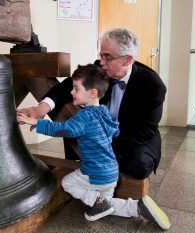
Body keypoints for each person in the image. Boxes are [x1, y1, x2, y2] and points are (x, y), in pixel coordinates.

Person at [17, 64, 170, 230]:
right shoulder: (105, 112)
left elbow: (62, 129)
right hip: (112, 173)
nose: (71, 92)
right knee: (108, 204)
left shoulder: (84, 116)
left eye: (76, 89)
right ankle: (137, 207)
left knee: (68, 183)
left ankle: (98, 201)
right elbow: (115, 131)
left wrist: (37, 123)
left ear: (92, 93)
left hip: (95, 173)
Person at [17, 28, 167, 180]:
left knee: (139, 166)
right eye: (101, 55)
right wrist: (41, 108)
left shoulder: (153, 86)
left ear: (127, 60)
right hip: (101, 127)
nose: (101, 62)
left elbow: (144, 132)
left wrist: (102, 142)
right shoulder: (100, 68)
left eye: (107, 57)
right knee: (81, 140)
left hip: (134, 135)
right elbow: (67, 86)